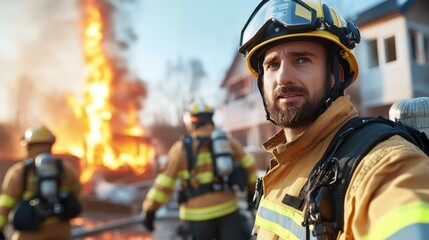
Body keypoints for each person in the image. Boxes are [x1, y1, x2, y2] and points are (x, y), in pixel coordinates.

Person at [238, 0, 429, 239]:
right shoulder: (281, 162)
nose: (283, 77)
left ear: (337, 74)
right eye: (272, 64)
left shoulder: (381, 163)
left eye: (302, 60)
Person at [141, 98, 258, 240]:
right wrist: (252, 194)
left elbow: (164, 183)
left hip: (196, 217)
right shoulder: (228, 142)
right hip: (229, 211)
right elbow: (250, 167)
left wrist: (150, 210)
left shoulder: (181, 148)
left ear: (191, 121)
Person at [0, 126, 82, 240]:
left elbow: (5, 204)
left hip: (31, 233)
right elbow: (78, 197)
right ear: (51, 145)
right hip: (62, 231)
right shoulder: (66, 168)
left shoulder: (19, 171)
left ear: (28, 146)